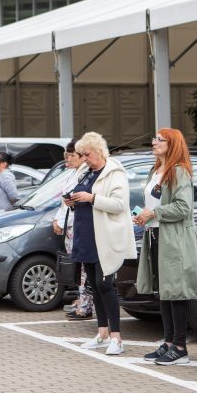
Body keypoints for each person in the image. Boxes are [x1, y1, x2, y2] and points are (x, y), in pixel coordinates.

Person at [133, 128, 197, 366]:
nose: (153, 142)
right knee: (164, 290)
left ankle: (180, 347)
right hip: (155, 234)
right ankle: (169, 341)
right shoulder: (156, 170)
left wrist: (154, 213)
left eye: (159, 139)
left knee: (176, 291)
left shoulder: (179, 171)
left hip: (173, 238)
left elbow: (184, 207)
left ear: (172, 144)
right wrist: (145, 215)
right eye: (154, 138)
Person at [66, 132, 136, 356]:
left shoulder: (114, 173)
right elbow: (80, 197)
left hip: (105, 237)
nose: (84, 158)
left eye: (86, 154)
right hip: (86, 236)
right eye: (82, 155)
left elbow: (119, 204)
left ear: (98, 151)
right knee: (94, 286)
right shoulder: (86, 172)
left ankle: (117, 337)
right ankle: (102, 332)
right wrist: (71, 202)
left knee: (105, 285)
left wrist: (92, 198)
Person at [51, 142, 92, 320]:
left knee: (83, 268)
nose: (69, 159)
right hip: (70, 225)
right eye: (67, 155)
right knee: (78, 268)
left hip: (78, 225)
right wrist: (57, 218)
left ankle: (85, 306)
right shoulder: (75, 173)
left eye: (72, 155)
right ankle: (81, 300)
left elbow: (74, 200)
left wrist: (61, 217)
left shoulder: (85, 172)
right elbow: (65, 201)